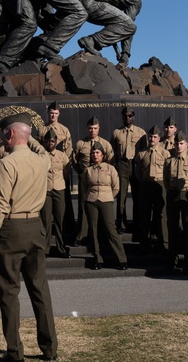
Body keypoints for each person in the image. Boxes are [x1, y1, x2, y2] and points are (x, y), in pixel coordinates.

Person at [0, 114, 57, 362]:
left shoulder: (7, 163)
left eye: (5, 133)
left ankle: (15, 351)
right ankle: (49, 348)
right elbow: (36, 148)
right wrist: (29, 137)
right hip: (36, 226)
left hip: (12, 229)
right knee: (40, 290)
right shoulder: (42, 161)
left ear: (9, 135)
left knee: (9, 292)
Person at [72, 0, 156, 67]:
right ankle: (92, 41)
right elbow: (127, 24)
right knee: (130, 26)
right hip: (90, 4)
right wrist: (125, 53)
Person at [82, 142, 128, 270]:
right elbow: (85, 186)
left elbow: (116, 187)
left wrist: (108, 197)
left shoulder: (110, 169)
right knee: (94, 230)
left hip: (106, 200)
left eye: (98, 153)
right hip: (91, 201)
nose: (95, 155)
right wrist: (89, 197)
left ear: (103, 155)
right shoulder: (88, 170)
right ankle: (98, 259)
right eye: (93, 153)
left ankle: (121, 259)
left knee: (111, 230)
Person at [71, 117, 114, 245]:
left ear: (99, 128)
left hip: (99, 180)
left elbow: (110, 159)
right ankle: (82, 234)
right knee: (83, 206)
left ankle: (99, 234)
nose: (92, 131)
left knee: (100, 206)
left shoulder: (105, 144)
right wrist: (81, 172)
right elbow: (74, 159)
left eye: (95, 128)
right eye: (90, 128)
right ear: (87, 128)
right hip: (85, 179)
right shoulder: (81, 143)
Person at [164, 131, 188, 271]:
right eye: (176, 144)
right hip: (173, 194)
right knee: (172, 227)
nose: (178, 146)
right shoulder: (169, 161)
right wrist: (170, 190)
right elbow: (165, 179)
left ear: (186, 144)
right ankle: (172, 260)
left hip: (187, 195)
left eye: (181, 143)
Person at [110, 105, 146, 234]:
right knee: (121, 197)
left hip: (135, 165)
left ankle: (137, 224)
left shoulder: (141, 133)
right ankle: (121, 224)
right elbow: (112, 151)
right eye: (125, 116)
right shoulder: (116, 133)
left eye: (130, 116)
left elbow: (144, 152)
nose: (127, 118)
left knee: (138, 197)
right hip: (122, 165)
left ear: (133, 117)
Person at [134, 125, 168, 252]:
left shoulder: (165, 153)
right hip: (146, 185)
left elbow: (169, 172)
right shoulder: (141, 154)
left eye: (154, 137)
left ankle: (163, 243)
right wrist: (144, 181)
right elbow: (138, 172)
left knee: (161, 215)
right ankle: (144, 243)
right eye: (150, 137)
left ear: (159, 138)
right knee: (145, 215)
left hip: (160, 185)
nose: (152, 139)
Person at [40, 130, 70, 258]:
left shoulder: (62, 156)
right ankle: (45, 249)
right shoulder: (40, 156)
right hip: (45, 191)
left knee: (60, 220)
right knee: (46, 221)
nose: (50, 143)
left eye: (52, 141)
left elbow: (66, 173)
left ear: (56, 142)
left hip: (59, 189)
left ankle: (61, 248)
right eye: (48, 141)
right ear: (44, 142)